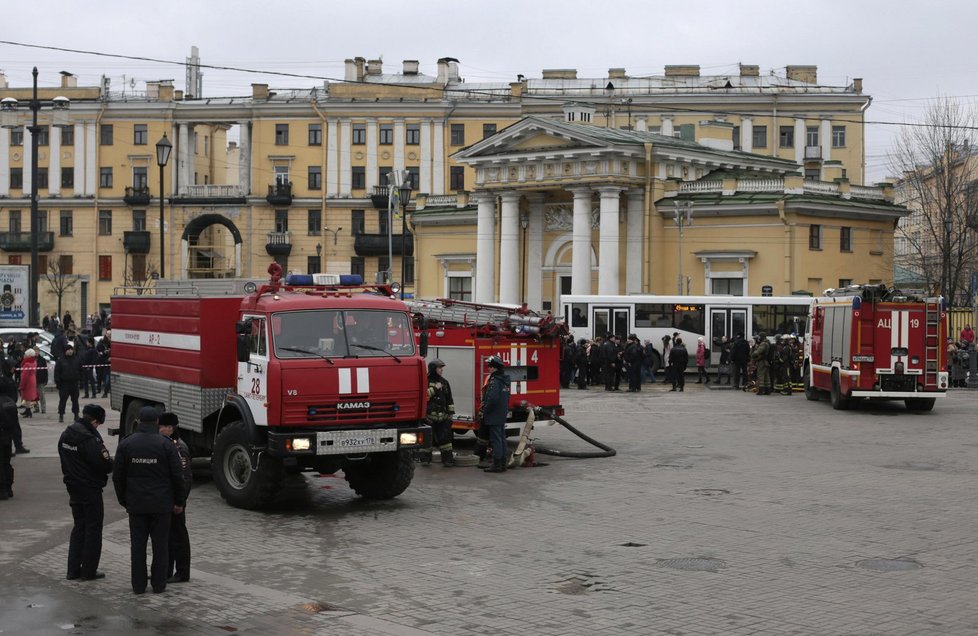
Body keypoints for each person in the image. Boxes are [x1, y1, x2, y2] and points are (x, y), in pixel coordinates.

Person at [113, 406, 186, 595]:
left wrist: (124, 500)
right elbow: (178, 476)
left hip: (136, 505)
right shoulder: (166, 444)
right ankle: (159, 584)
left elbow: (118, 476)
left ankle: (138, 585)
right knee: (160, 546)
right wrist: (179, 501)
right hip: (161, 505)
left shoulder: (126, 444)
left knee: (137, 546)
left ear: (138, 421)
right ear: (157, 423)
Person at [58, 404, 113, 581]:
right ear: (95, 421)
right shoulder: (89, 439)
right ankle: (89, 571)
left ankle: (72, 570)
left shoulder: (66, 434)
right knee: (93, 529)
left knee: (79, 526)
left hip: (73, 486)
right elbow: (104, 465)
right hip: (89, 488)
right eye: (98, 424)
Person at [159, 412, 192, 583]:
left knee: (179, 538)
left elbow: (185, 479)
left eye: (166, 427)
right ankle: (166, 571)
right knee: (167, 538)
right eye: (161, 426)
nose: (162, 429)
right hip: (167, 500)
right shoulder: (165, 444)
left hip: (176, 502)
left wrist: (180, 502)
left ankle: (182, 572)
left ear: (173, 428)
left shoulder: (179, 448)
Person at [480, 356, 511, 473]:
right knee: (502, 438)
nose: (488, 368)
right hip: (501, 413)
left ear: (494, 368)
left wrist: (486, 409)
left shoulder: (495, 381)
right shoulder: (505, 379)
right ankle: (502, 463)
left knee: (496, 439)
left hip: (494, 414)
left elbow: (492, 398)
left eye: (490, 366)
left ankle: (497, 464)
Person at [423, 359, 456, 467]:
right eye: (440, 368)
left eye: (442, 368)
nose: (442, 370)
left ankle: (448, 460)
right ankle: (424, 460)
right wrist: (435, 389)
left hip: (443, 418)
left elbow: (449, 399)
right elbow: (424, 396)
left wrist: (450, 414)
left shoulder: (445, 382)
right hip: (428, 418)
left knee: (446, 441)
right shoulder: (425, 381)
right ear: (433, 369)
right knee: (427, 441)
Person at [56, 342, 83, 424]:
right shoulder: (61, 360)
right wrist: (58, 384)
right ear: (65, 351)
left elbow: (81, 370)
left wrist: (81, 380)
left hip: (74, 383)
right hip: (64, 384)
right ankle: (61, 415)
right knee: (63, 400)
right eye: (68, 350)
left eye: (71, 349)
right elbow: (57, 373)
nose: (70, 351)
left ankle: (76, 415)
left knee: (75, 400)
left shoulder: (77, 359)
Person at [0, 396, 17, 499]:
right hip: (8, 435)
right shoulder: (10, 401)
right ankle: (9, 487)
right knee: (6, 462)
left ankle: (2, 490)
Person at [18, 348, 40, 418]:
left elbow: (24, 375)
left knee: (26, 397)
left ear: (29, 355)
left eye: (25, 354)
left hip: (28, 382)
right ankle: (27, 411)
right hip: (33, 380)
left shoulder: (26, 363)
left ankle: (28, 412)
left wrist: (21, 384)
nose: (24, 355)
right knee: (28, 397)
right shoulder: (34, 362)